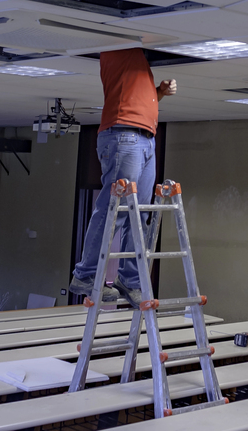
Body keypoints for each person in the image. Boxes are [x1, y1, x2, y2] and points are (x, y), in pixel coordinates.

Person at [69, 47, 177, 307]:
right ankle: (86, 275)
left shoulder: (138, 61)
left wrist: (159, 92)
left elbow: (135, 97)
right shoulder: (118, 46)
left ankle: (129, 279)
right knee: (113, 209)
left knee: (138, 213)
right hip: (123, 134)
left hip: (145, 137)